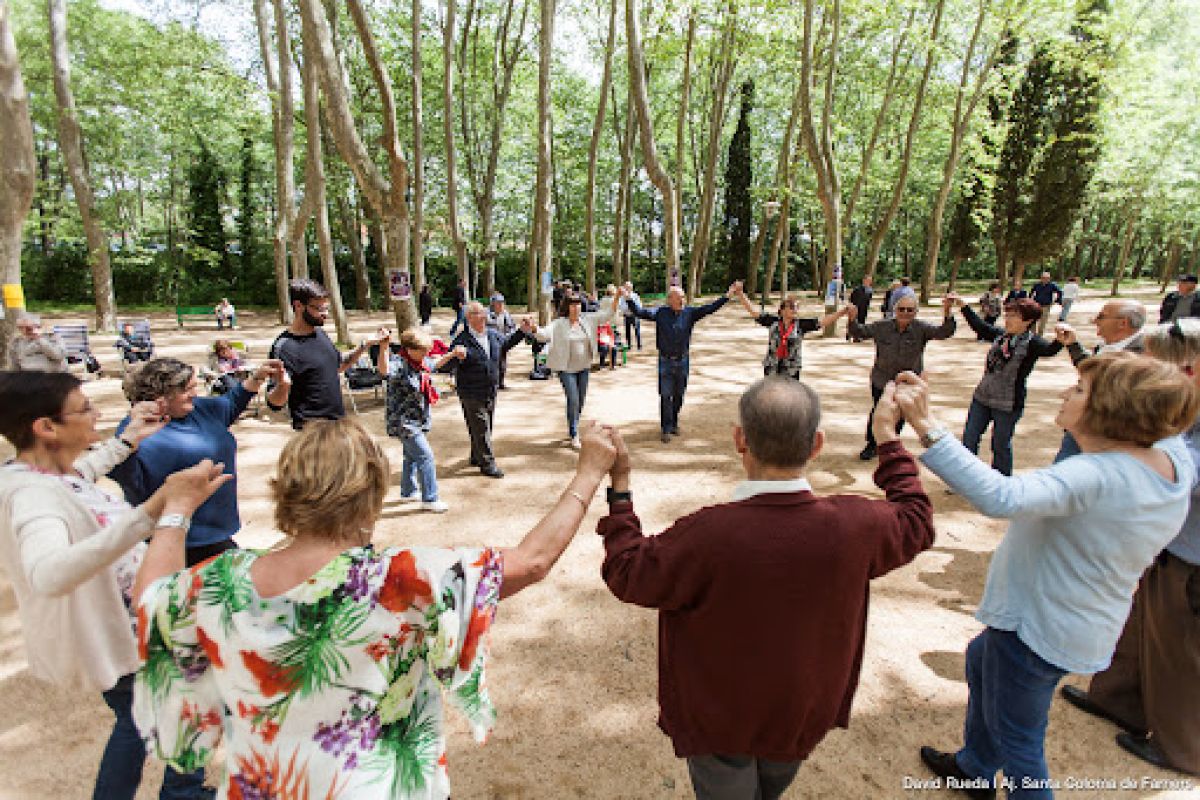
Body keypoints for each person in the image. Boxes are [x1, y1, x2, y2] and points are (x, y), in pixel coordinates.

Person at [130, 416, 621, 800]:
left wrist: (176, 512)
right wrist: (590, 472)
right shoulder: (401, 579)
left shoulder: (220, 582)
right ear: (371, 493)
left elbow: (151, 598)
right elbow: (532, 562)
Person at [598, 377, 935, 800]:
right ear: (817, 444)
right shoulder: (856, 526)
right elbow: (916, 519)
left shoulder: (708, 533)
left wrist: (621, 488)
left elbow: (627, 571)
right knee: (772, 785)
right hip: (802, 711)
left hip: (720, 716)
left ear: (740, 440)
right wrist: (888, 437)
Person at [893, 357, 1199, 798]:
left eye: (1078, 390)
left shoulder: (1094, 475)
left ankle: (986, 771)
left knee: (1021, 742)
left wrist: (926, 424)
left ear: (1111, 411)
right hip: (1078, 622)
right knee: (981, 659)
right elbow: (1165, 400)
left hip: (1036, 626)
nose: (1064, 393)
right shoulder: (1170, 456)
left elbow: (1000, 497)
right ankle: (975, 766)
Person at [0, 370, 230, 800]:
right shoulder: (31, 497)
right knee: (179, 706)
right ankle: (181, 793)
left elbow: (77, 477)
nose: (96, 414)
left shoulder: (41, 475)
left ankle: (180, 790)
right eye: (84, 408)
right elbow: (47, 574)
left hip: (135, 625)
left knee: (150, 714)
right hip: (127, 633)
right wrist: (154, 511)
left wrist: (127, 441)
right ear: (46, 427)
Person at [1056, 320, 1200, 776]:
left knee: (1179, 646)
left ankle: (1183, 746)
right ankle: (1118, 700)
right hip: (1171, 542)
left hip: (1193, 554)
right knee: (1142, 626)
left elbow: (1180, 473)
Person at [109, 356, 284, 566]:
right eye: (186, 390)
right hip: (176, 542)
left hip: (217, 534)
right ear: (160, 396)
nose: (194, 394)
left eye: (194, 387)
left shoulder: (199, 409)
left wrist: (257, 378)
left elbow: (230, 404)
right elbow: (125, 485)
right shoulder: (135, 430)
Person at [951, 296, 1062, 476]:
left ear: (1028, 320)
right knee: (970, 437)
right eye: (1007, 314)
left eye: (1014, 316)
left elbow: (1050, 350)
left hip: (1008, 403)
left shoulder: (1032, 343)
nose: (1007, 319)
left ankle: (1001, 480)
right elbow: (980, 327)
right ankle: (964, 476)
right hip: (983, 397)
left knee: (1000, 444)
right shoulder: (1001, 336)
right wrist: (963, 306)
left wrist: (1061, 339)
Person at [627, 282, 741, 443]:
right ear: (669, 300)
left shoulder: (690, 313)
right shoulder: (660, 313)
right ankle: (666, 428)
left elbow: (710, 308)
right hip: (665, 361)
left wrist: (727, 295)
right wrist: (627, 297)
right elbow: (639, 312)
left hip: (683, 360)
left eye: (683, 297)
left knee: (679, 395)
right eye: (678, 297)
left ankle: (674, 422)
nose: (682, 300)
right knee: (666, 395)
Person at [846, 294, 956, 461]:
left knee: (901, 414)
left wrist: (947, 312)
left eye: (910, 310)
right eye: (901, 309)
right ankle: (872, 444)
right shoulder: (882, 326)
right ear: (894, 310)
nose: (905, 313)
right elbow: (859, 332)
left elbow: (943, 332)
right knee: (878, 411)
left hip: (906, 382)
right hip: (881, 379)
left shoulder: (921, 329)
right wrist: (852, 319)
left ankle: (889, 443)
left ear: (915, 312)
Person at [267, 279, 377, 430]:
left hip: (337, 425)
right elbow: (274, 403)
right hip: (311, 433)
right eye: (319, 309)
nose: (325, 314)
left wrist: (365, 345)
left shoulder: (320, 334)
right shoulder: (284, 347)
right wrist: (283, 385)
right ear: (298, 306)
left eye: (326, 309)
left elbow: (339, 365)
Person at [376, 327, 461, 513]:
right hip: (404, 422)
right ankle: (430, 498)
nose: (425, 355)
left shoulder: (420, 363)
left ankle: (408, 490)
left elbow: (435, 363)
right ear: (410, 349)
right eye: (422, 351)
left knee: (411, 456)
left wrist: (452, 354)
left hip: (419, 419)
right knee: (426, 457)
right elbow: (384, 370)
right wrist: (384, 346)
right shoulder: (399, 364)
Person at [441, 301, 528, 477]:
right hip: (470, 392)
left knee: (484, 425)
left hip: (490, 390)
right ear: (468, 318)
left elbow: (507, 343)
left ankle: (476, 455)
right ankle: (487, 464)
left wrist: (522, 330)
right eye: (476, 314)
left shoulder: (493, 335)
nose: (481, 317)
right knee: (481, 427)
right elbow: (446, 366)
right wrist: (456, 356)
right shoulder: (461, 340)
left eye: (483, 313)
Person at [1052, 300, 1146, 461]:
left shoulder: (1144, 354)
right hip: (1081, 426)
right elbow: (1091, 372)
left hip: (1108, 434)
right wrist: (1072, 345)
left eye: (1101, 317)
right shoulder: (1106, 346)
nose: (1095, 321)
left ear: (1123, 323)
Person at [531, 289, 622, 448]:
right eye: (572, 305)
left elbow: (608, 314)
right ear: (567, 307)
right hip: (566, 369)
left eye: (578, 305)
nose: (576, 308)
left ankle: (573, 424)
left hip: (584, 367)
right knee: (573, 399)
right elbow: (544, 334)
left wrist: (617, 297)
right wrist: (533, 328)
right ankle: (574, 433)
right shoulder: (559, 323)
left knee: (580, 401)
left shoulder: (588, 320)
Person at [735, 289, 850, 379]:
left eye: (796, 307)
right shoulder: (773, 322)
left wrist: (842, 312)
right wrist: (741, 294)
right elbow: (753, 312)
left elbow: (823, 321)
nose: (794, 309)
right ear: (782, 310)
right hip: (772, 367)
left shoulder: (800, 325)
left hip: (792, 369)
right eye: (791, 307)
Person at [486, 292, 518, 390]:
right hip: (491, 341)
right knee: (492, 363)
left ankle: (501, 383)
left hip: (503, 340)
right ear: (493, 304)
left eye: (502, 303)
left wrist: (509, 336)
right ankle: (492, 383)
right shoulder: (487, 314)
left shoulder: (505, 314)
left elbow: (512, 327)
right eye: (498, 303)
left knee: (502, 362)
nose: (500, 305)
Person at [847, 275, 874, 340]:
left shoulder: (870, 290)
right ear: (863, 280)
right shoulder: (857, 289)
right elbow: (851, 298)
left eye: (870, 281)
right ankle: (852, 335)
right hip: (856, 308)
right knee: (854, 322)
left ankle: (859, 335)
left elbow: (869, 299)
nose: (869, 282)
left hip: (864, 308)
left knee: (862, 322)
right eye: (867, 280)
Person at [620, 281, 643, 350]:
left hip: (635, 316)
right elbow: (621, 306)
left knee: (637, 330)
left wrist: (634, 310)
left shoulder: (635, 296)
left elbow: (639, 305)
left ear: (631, 288)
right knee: (627, 331)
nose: (627, 288)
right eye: (626, 287)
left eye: (628, 287)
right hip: (627, 315)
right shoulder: (622, 297)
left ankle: (639, 345)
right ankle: (629, 345)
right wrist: (627, 309)